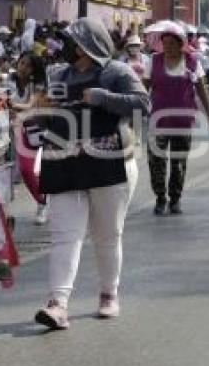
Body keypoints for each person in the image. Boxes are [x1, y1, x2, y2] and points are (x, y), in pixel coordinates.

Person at [33, 17, 149, 330]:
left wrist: (103, 98)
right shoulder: (57, 74)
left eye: (72, 41)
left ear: (88, 45)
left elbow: (143, 104)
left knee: (106, 236)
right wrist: (40, 108)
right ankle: (58, 304)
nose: (65, 47)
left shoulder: (117, 72)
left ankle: (109, 294)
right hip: (62, 160)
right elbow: (43, 117)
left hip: (109, 162)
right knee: (64, 236)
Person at [143, 22, 209, 215]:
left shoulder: (192, 62)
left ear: (180, 43)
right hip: (158, 120)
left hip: (183, 121)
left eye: (171, 43)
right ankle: (160, 198)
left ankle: (175, 199)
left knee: (178, 162)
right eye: (164, 42)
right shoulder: (154, 61)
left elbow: (202, 88)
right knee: (156, 161)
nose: (167, 46)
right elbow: (143, 88)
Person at [8, 53, 48, 225]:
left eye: (27, 65)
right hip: (14, 130)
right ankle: (42, 201)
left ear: (34, 69)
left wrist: (10, 104)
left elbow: (30, 106)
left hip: (36, 131)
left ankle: (43, 202)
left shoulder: (38, 85)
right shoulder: (9, 80)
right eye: (21, 62)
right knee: (19, 172)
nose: (22, 67)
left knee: (31, 170)